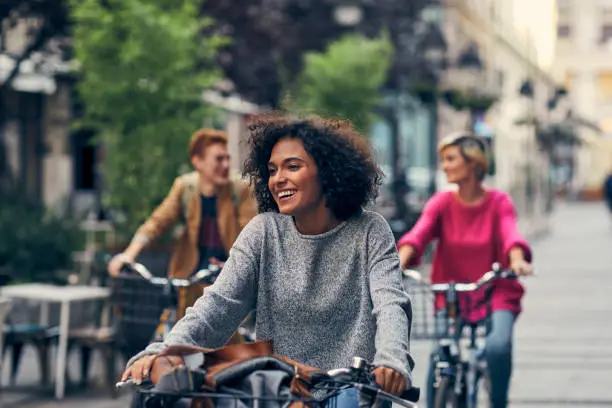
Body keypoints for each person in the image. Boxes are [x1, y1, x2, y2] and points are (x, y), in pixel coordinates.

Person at [121, 114, 415, 406]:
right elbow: (217, 306)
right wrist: (160, 351)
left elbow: (390, 303)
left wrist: (391, 360)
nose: (278, 179)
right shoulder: (264, 231)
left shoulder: (370, 231)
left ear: (328, 172)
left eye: (293, 166)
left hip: (352, 394)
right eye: (272, 170)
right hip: (282, 393)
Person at [397, 131, 533, 408]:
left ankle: (498, 400)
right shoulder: (441, 203)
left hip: (495, 290)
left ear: (473, 163)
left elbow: (511, 235)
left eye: (450, 159)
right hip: (451, 294)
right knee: (440, 353)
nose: (445, 166)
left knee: (497, 347)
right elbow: (418, 235)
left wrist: (517, 260)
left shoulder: (498, 202)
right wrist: (398, 263)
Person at [107, 128, 257, 333]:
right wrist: (129, 255)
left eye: (227, 159)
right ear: (198, 162)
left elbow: (250, 234)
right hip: (189, 278)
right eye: (218, 159)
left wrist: (239, 270)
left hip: (226, 277)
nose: (225, 165)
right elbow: (157, 222)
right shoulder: (185, 187)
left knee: (224, 344)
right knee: (173, 338)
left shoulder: (240, 189)